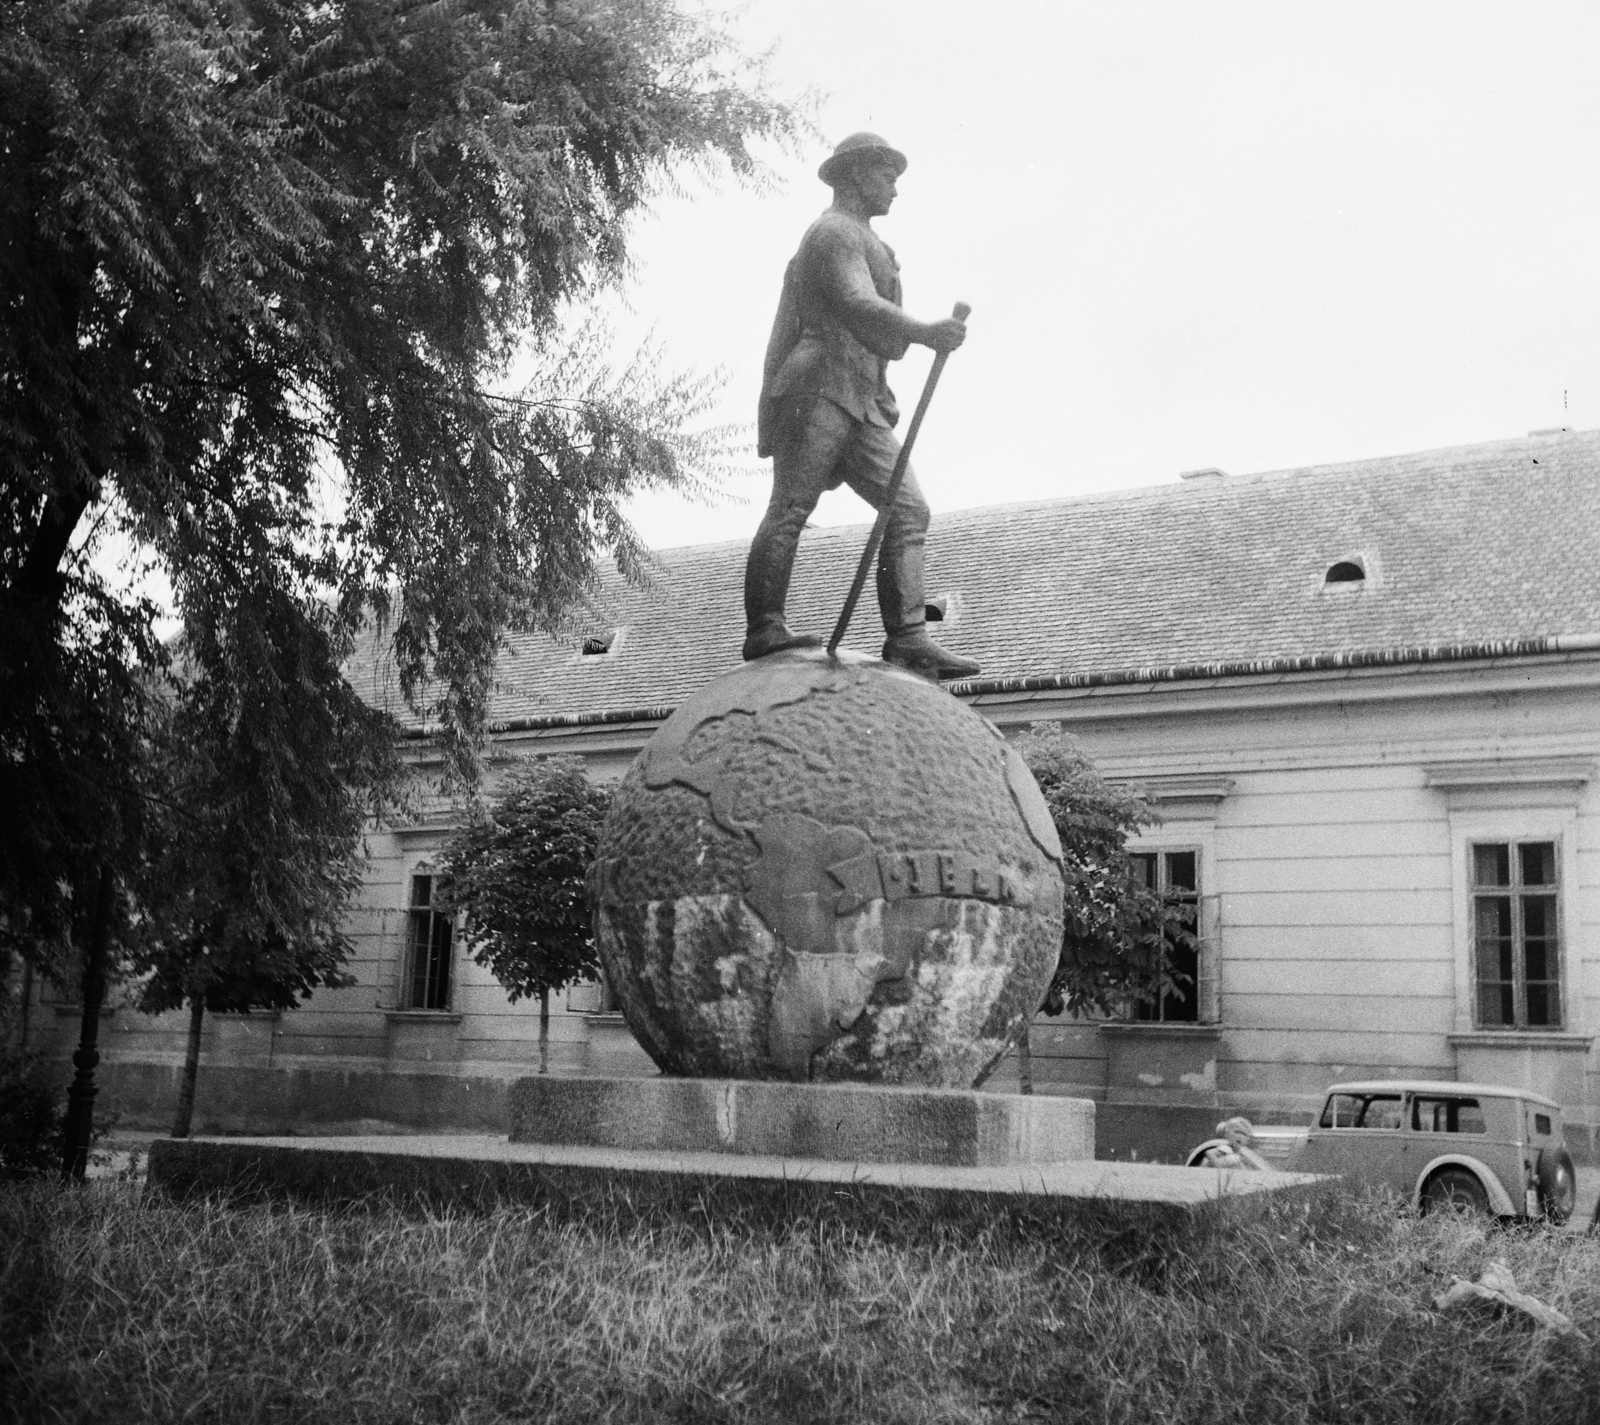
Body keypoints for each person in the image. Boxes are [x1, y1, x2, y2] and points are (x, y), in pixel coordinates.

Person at [743, 132, 980, 680]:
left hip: (862, 398)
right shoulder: (832, 233)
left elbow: (882, 338)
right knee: (791, 507)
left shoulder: (871, 242)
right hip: (817, 386)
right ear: (854, 175)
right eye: (886, 176)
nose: (895, 189)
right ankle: (765, 627)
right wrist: (926, 331)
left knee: (909, 509)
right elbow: (855, 302)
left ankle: (908, 637)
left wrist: (914, 336)